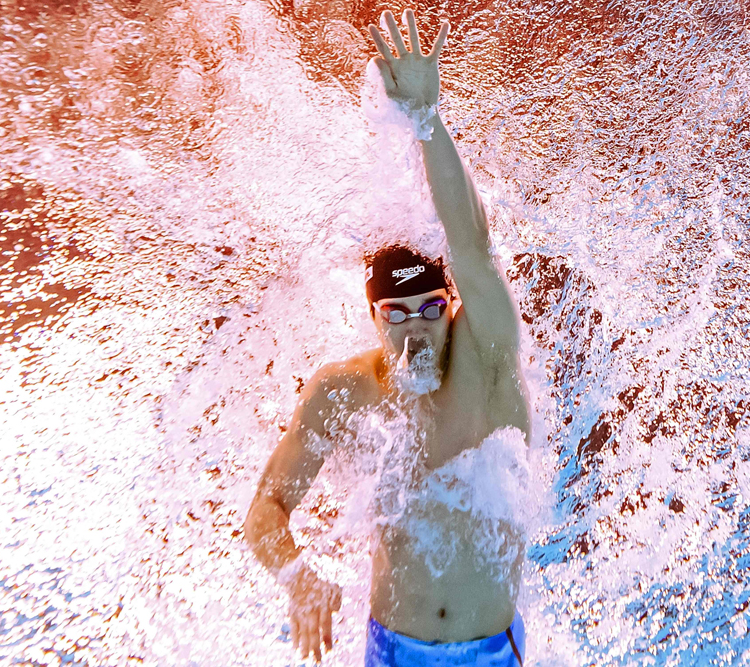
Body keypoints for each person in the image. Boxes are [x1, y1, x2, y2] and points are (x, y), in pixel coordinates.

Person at [244, 8, 530, 665]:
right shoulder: (342, 392)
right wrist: (296, 574)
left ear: (450, 303)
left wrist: (427, 122)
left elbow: (473, 245)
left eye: (429, 306)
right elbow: (267, 508)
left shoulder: (485, 361)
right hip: (391, 650)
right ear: (373, 317)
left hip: (489, 650)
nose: (414, 328)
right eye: (396, 314)